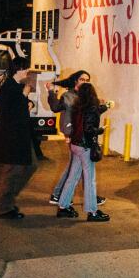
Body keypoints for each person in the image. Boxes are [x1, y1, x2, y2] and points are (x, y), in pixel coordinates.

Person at [46, 70, 105, 207]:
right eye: (82, 79)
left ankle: (60, 197)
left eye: (87, 80)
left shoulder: (85, 97)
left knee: (74, 170)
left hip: (79, 137)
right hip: (75, 136)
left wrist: (101, 106)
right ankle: (61, 195)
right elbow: (55, 108)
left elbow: (89, 114)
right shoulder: (68, 96)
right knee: (80, 171)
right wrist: (50, 92)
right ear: (75, 81)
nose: (85, 82)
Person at [56, 82, 111, 222]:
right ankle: (92, 212)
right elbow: (89, 127)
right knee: (90, 180)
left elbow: (95, 112)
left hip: (75, 145)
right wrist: (101, 130)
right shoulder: (91, 108)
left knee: (72, 177)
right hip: (85, 147)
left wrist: (107, 106)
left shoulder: (77, 106)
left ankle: (63, 207)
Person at [0, 57, 39, 219]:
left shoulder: (16, 87)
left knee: (31, 165)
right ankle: (5, 205)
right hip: (11, 136)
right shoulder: (8, 87)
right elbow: (11, 110)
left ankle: (6, 195)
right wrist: (25, 93)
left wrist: (29, 102)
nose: (28, 72)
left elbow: (23, 105)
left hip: (21, 135)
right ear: (19, 70)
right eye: (26, 69)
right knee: (13, 170)